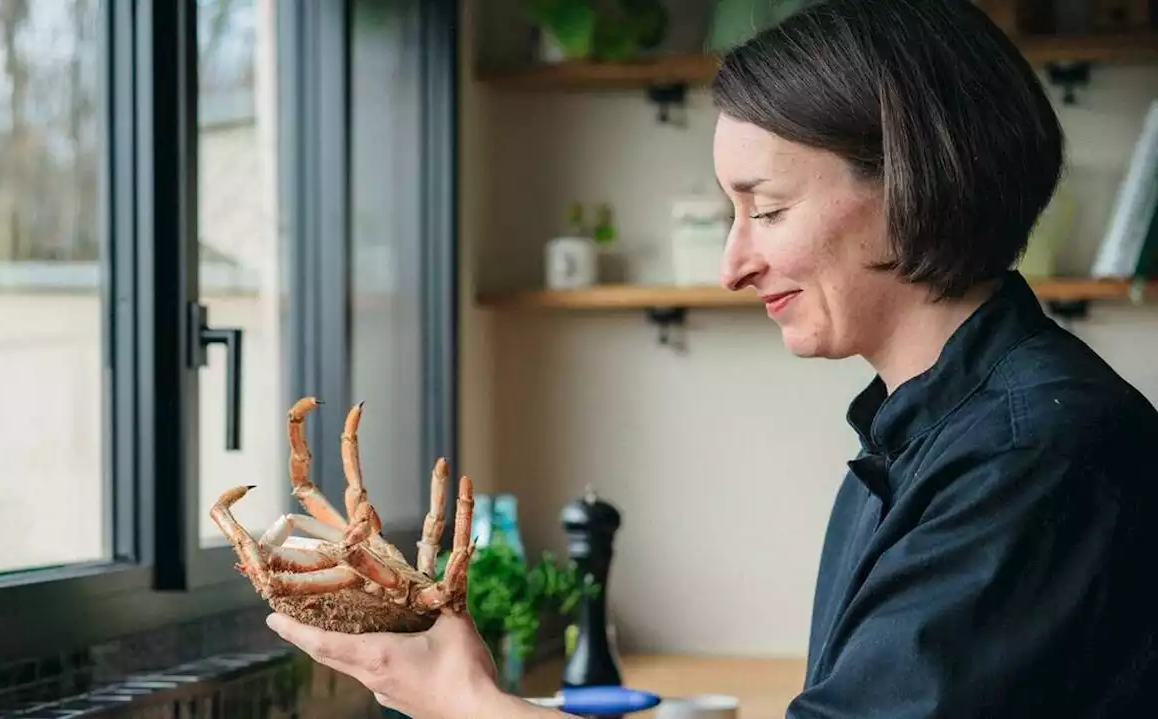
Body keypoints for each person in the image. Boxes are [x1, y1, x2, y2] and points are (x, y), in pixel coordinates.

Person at [266, 0, 1158, 715]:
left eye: (764, 209)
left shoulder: (1033, 454)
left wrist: (470, 705)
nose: (734, 264)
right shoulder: (922, 439)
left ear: (911, 185)